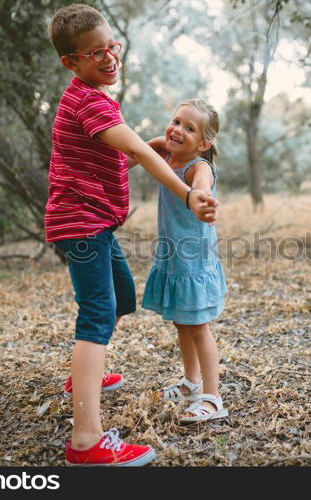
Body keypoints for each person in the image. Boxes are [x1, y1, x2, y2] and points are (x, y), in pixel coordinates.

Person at [45, 4, 219, 466]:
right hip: (82, 225)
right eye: (94, 53)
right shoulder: (92, 100)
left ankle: (88, 371)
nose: (108, 58)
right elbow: (136, 147)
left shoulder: (85, 96)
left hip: (91, 222)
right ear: (72, 62)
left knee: (120, 297)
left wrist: (151, 149)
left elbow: (121, 155)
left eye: (111, 46)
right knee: (98, 317)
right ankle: (86, 441)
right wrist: (185, 193)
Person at [140, 98, 228, 423]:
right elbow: (135, 152)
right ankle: (191, 383)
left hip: (192, 264)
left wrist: (202, 199)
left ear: (203, 143)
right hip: (174, 261)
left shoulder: (198, 167)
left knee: (199, 328)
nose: (177, 130)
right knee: (182, 322)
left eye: (189, 128)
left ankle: (213, 398)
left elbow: (202, 186)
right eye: (176, 121)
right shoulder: (166, 150)